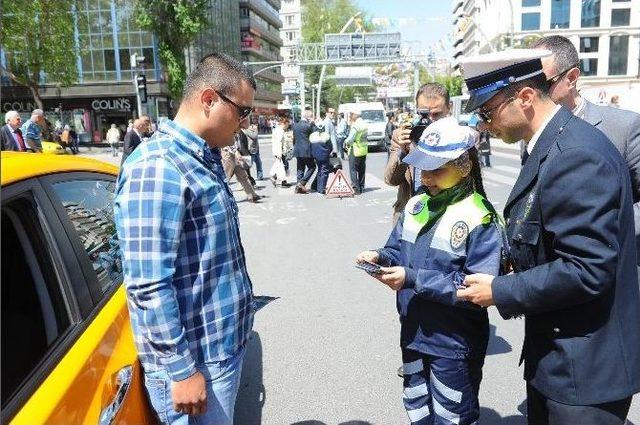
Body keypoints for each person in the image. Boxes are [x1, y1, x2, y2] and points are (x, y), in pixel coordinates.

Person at [456, 49, 640, 425]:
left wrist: (500, 291)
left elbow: (587, 269)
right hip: (560, 358)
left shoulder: (575, 154)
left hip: (585, 374)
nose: (485, 125)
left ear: (524, 98)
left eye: (488, 113)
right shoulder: (551, 143)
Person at [114, 52, 257, 425]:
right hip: (199, 360)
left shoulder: (202, 156)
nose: (244, 123)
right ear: (209, 99)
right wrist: (181, 371)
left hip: (220, 347)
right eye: (242, 111)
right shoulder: (158, 167)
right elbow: (148, 285)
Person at [357, 117, 503, 425]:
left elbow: (475, 288)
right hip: (413, 331)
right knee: (417, 403)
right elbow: (397, 249)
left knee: (453, 413)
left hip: (453, 341)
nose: (427, 178)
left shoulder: (480, 216)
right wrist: (379, 256)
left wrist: (412, 278)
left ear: (463, 167)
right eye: (424, 168)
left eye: (437, 169)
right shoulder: (415, 205)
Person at [531, 35, 640, 249]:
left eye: (542, 84)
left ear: (571, 77)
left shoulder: (624, 127)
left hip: (612, 264)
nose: (532, 95)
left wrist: (599, 230)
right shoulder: (532, 134)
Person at [385, 83, 451, 223]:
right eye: (424, 114)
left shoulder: (461, 137)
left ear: (448, 108)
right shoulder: (403, 135)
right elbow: (391, 180)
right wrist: (403, 151)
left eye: (436, 114)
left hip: (445, 217)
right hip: (409, 219)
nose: (429, 120)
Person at [291, 110, 318, 194]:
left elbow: (294, 138)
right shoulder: (309, 126)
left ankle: (298, 188)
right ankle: (302, 183)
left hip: (297, 150)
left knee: (300, 169)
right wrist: (313, 124)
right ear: (308, 117)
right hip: (306, 150)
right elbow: (315, 134)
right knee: (312, 167)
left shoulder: (295, 125)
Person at [344, 111, 368, 194]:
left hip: (355, 149)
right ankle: (361, 186)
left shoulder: (356, 125)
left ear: (355, 115)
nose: (350, 116)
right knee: (362, 169)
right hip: (363, 150)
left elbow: (350, 139)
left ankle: (356, 188)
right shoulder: (364, 124)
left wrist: (345, 142)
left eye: (351, 114)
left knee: (353, 169)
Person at [269, 117, 292, 188]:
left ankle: (282, 181)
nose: (287, 126)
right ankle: (274, 176)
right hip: (279, 151)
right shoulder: (280, 131)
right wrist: (279, 153)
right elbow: (278, 143)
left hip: (279, 151)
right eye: (287, 125)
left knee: (283, 165)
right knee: (281, 165)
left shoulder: (278, 129)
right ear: (283, 124)